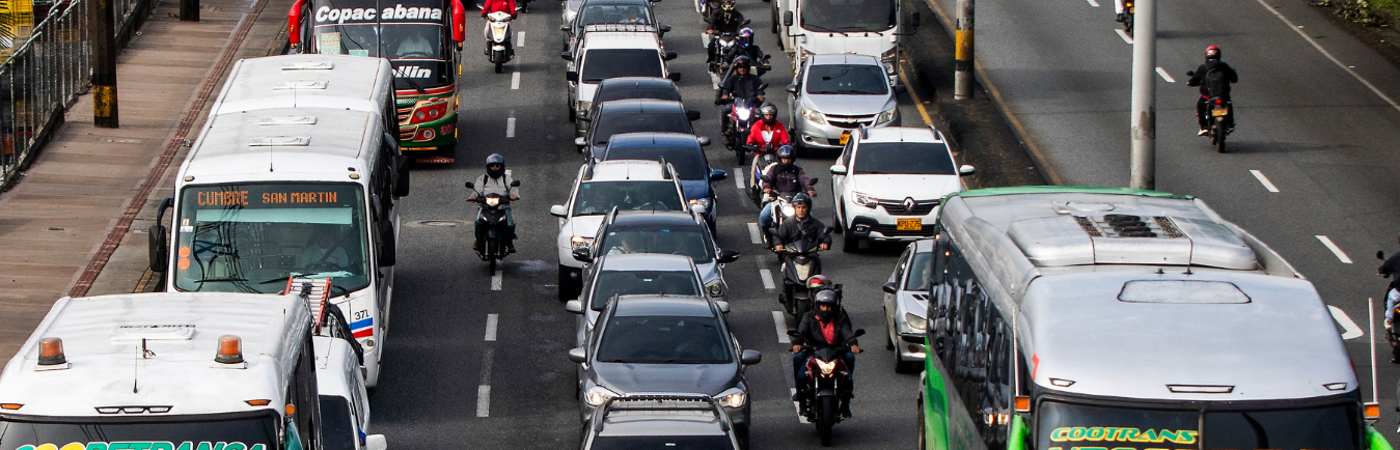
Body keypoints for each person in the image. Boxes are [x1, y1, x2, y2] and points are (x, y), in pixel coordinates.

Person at [791, 290, 860, 417]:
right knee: (799, 363)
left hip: (835, 351)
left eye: (828, 306)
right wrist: (797, 343)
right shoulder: (809, 317)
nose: (826, 309)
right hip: (814, 351)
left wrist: (853, 344)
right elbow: (801, 332)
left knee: (849, 367)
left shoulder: (840, 318)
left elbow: (847, 332)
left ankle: (845, 404)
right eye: (823, 305)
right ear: (817, 306)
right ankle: (801, 400)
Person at [468, 153, 520, 253]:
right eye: (492, 166)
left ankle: (509, 241)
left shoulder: (507, 179)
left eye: (497, 166)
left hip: (502, 207)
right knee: (478, 223)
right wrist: (473, 197)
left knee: (510, 224)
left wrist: (513, 197)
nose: (495, 168)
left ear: (501, 166)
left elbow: (514, 192)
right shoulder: (482, 178)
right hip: (485, 206)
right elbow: (476, 191)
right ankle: (478, 240)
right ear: (488, 167)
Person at [1186, 45, 1238, 136]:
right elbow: (1234, 78)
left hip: (1208, 96)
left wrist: (1190, 83)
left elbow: (1194, 80)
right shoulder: (1224, 66)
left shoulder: (1203, 67)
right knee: (1228, 104)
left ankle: (1203, 127)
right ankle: (1230, 124)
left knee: (1200, 106)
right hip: (1223, 95)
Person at [759, 146, 816, 229]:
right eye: (784, 158)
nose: (786, 161)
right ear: (780, 158)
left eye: (788, 158)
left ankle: (810, 238)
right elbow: (768, 177)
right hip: (777, 199)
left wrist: (810, 188)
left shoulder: (797, 170)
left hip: (795, 200)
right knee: (763, 216)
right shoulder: (774, 169)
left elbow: (804, 179)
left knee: (810, 217)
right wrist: (767, 187)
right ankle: (767, 235)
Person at [718, 56, 765, 135]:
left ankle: (762, 134)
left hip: (751, 103)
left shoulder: (755, 79)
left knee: (763, 113)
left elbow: (760, 89)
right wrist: (725, 95)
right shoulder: (732, 79)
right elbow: (726, 88)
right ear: (737, 68)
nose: (742, 69)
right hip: (737, 103)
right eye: (740, 67)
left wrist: (760, 96)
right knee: (725, 110)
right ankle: (724, 132)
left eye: (744, 67)